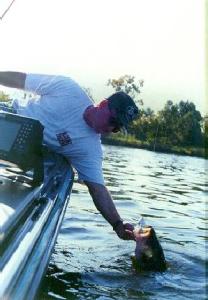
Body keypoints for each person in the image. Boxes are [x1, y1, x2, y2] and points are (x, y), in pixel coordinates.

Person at [0, 71, 139, 240]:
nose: (112, 129)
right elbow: (21, 80)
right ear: (103, 104)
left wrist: (118, 224)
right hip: (9, 116)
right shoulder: (68, 88)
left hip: (21, 154)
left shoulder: (90, 150)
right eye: (112, 121)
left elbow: (98, 189)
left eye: (117, 128)